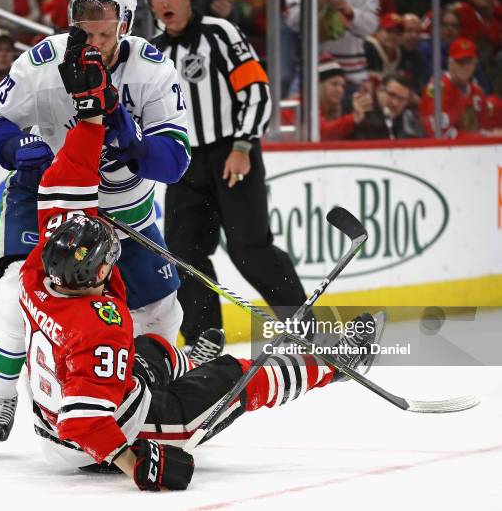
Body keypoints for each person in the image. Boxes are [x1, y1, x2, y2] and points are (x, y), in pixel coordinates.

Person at [20, 42, 385, 489]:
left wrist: (93, 112)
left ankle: (189, 358)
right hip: (103, 436)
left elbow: (69, 174)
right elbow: (82, 422)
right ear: (97, 273)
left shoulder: (38, 270)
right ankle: (334, 363)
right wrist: (134, 462)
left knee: (152, 349)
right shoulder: (100, 327)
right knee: (237, 377)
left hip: (49, 418)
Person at [0, 0, 193, 446]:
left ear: (125, 22)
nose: (91, 33)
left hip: (123, 209)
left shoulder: (152, 68)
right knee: (14, 293)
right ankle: (1, 393)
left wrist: (128, 140)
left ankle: (147, 398)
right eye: (82, 19)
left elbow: (174, 161)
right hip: (51, 199)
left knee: (161, 316)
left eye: (103, 22)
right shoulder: (41, 62)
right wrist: (14, 146)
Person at [146, 0, 308, 346]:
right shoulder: (154, 51)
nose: (165, 2)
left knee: (250, 248)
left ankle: (305, 330)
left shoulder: (220, 32)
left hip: (232, 154)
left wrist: (243, 144)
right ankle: (206, 339)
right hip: (184, 162)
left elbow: (255, 89)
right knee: (184, 255)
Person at [285, 0, 380, 94]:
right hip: (311, 76)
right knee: (292, 110)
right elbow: (291, 22)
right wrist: (314, 3)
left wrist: (349, 11)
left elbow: (372, 26)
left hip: (351, 78)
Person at [420, 37, 488, 138]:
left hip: (473, 151)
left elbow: (483, 128)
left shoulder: (478, 92)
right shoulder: (436, 89)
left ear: (475, 64)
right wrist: (478, 137)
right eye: (460, 62)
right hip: (441, 152)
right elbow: (438, 133)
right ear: (450, 62)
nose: (464, 66)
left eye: (469, 62)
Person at [317, 55, 373, 140]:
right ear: (318, 85)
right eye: (334, 84)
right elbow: (322, 132)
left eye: (342, 86)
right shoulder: (302, 106)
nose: (340, 90)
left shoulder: (342, 110)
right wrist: (353, 119)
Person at [353, 73, 424, 139]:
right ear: (379, 90)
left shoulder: (409, 121)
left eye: (401, 99)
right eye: (392, 95)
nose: (395, 103)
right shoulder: (362, 116)